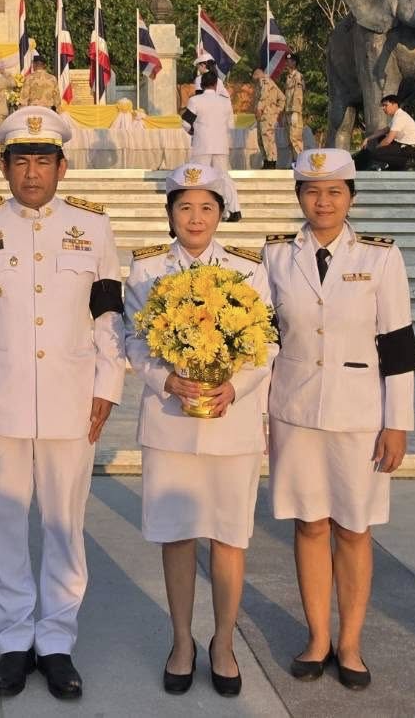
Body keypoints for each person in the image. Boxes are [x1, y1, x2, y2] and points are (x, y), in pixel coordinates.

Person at [0, 107, 124, 701]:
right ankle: (14, 640)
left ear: (62, 166)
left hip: (73, 399)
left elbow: (108, 315)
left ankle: (57, 641)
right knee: (2, 524)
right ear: (3, 166)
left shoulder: (93, 229)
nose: (31, 171)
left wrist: (108, 386)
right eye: (21, 159)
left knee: (64, 524)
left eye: (43, 159)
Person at [262, 148, 415, 691]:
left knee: (354, 528)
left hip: (361, 415)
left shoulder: (381, 257)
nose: (323, 201)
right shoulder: (275, 255)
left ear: (351, 197)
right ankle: (317, 638)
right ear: (300, 197)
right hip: (295, 410)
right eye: (312, 191)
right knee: (309, 524)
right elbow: (263, 339)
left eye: (334, 191)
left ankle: (350, 643)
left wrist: (397, 421)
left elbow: (398, 346)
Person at [123, 164, 273, 698]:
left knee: (230, 536)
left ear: (220, 213)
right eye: (184, 207)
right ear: (169, 214)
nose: (195, 217)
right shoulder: (145, 271)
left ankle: (225, 642)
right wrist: (168, 381)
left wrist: (236, 387)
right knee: (178, 534)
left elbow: (268, 342)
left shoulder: (248, 269)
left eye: (206, 207)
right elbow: (135, 342)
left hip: (231, 424)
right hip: (171, 425)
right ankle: (183, 640)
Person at [182, 69, 242, 221]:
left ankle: (197, 211)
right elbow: (231, 126)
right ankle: (235, 210)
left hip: (202, 144)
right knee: (223, 177)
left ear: (201, 85)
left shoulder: (195, 100)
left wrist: (193, 132)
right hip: (221, 145)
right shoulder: (225, 101)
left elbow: (185, 123)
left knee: (198, 178)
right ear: (216, 84)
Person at [354, 95, 415, 171]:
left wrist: (376, 150)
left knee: (376, 153)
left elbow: (388, 140)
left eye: (385, 105)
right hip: (404, 147)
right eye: (382, 106)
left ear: (395, 105)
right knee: (381, 138)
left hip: (411, 150)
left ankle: (409, 162)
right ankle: (396, 166)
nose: (383, 108)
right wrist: (367, 139)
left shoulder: (400, 117)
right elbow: (384, 131)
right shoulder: (397, 116)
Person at [252, 67, 285, 169]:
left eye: (253, 74)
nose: (252, 77)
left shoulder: (265, 81)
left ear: (257, 73)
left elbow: (264, 98)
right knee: (261, 140)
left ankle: (271, 162)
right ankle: (266, 161)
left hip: (267, 116)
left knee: (268, 139)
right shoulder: (260, 84)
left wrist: (275, 111)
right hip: (262, 117)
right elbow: (282, 97)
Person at [283, 58, 306, 161]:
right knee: (289, 139)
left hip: (294, 112)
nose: (287, 63)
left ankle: (300, 162)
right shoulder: (288, 77)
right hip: (288, 112)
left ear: (294, 62)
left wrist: (296, 112)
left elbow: (298, 94)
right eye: (286, 61)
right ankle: (294, 162)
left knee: (296, 138)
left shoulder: (298, 76)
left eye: (289, 61)